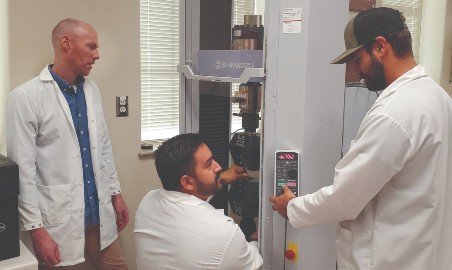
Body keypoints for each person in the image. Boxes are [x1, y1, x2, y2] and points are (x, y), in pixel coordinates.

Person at [270, 7, 452, 270]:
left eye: (357, 59)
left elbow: (346, 198)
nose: (356, 71)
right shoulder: (439, 99)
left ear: (380, 47)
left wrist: (293, 208)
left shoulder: (394, 113)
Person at [6, 18, 129, 269]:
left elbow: (103, 147)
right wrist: (36, 230)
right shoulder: (26, 97)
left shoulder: (91, 90)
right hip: (58, 223)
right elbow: (23, 171)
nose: (98, 55)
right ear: (66, 43)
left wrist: (116, 195)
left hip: (99, 216)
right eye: (91, 46)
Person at [134, 133, 263, 270]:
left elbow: (189, 201)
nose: (218, 167)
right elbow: (256, 263)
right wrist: (255, 239)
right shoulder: (223, 232)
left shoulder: (147, 202)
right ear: (187, 182)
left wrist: (220, 178)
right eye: (209, 165)